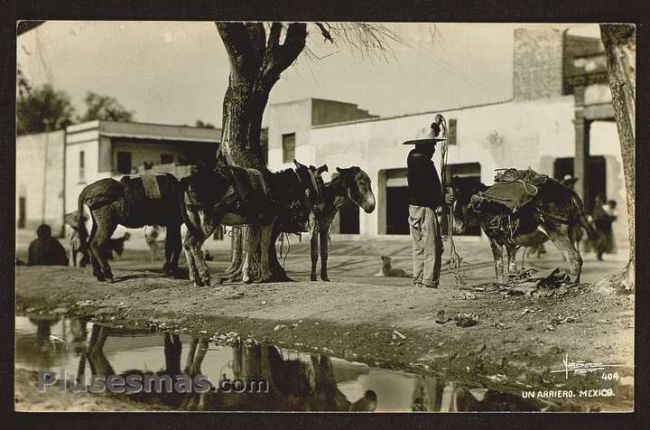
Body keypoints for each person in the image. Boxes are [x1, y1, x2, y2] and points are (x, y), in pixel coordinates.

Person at [404, 121, 454, 289]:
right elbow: (428, 191)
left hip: (413, 210)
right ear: (424, 147)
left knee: (418, 248)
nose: (434, 149)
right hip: (425, 210)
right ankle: (429, 282)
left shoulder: (412, 158)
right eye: (432, 145)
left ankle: (418, 281)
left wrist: (434, 127)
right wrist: (443, 199)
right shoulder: (425, 164)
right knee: (433, 247)